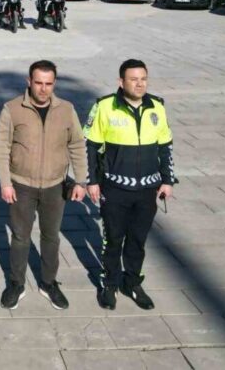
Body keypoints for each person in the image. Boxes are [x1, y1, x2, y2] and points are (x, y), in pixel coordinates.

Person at [0, 60, 87, 310]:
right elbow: (1, 149)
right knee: (20, 237)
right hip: (21, 186)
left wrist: (81, 180)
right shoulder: (12, 109)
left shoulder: (66, 110)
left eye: (48, 83)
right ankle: (16, 283)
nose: (43, 89)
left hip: (55, 187)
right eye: (38, 83)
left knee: (51, 237)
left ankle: (48, 283)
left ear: (54, 83)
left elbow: (77, 145)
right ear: (29, 82)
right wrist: (5, 183)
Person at [83, 59, 175, 311]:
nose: (139, 84)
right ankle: (109, 284)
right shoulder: (104, 106)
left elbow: (165, 146)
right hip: (115, 189)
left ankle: (132, 282)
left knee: (137, 241)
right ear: (121, 82)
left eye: (143, 79)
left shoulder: (157, 107)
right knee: (113, 240)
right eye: (133, 79)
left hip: (147, 190)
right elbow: (91, 146)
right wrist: (92, 181)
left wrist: (167, 180)